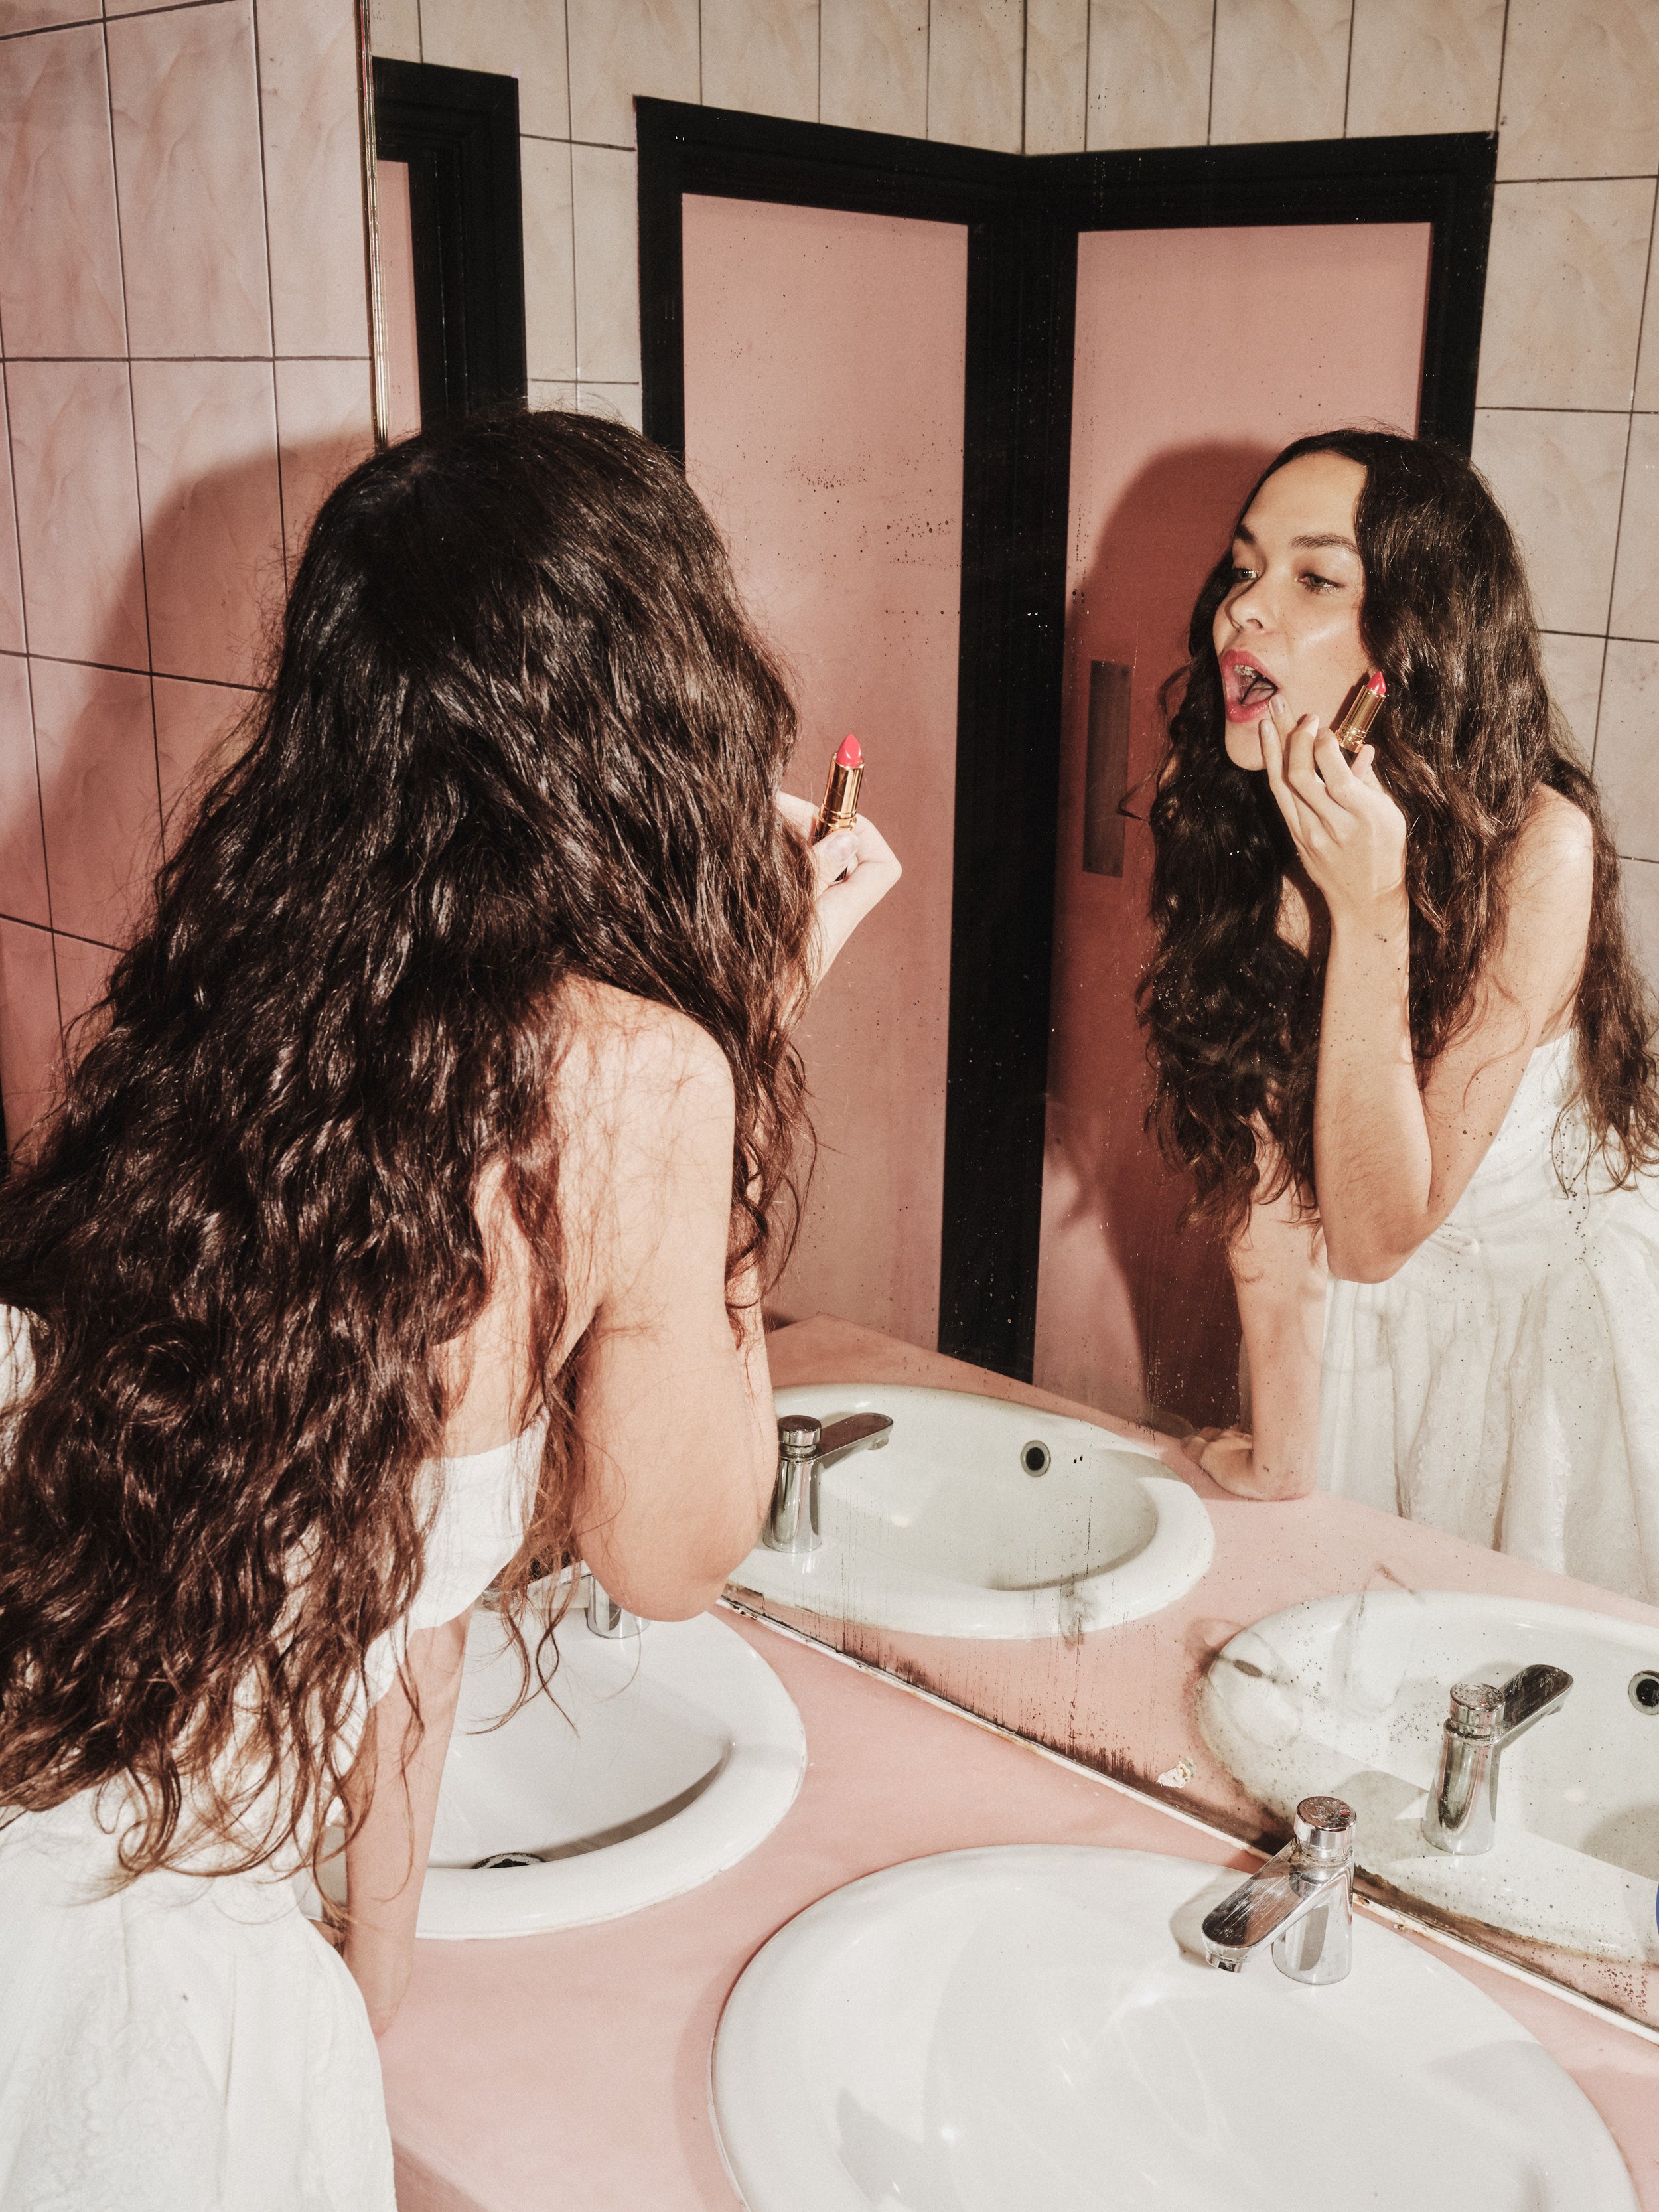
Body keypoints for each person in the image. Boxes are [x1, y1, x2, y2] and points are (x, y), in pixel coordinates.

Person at [0, 406, 899, 2209]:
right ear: (656, 706)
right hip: (147, 1983)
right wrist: (748, 1042)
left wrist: (368, 1979)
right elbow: (671, 1551)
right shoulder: (637, 1071)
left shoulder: (246, 1004)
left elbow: (393, 1589)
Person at [1140, 427, 1659, 1601]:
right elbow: (1267, 1184)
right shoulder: (1222, 808)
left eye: (1315, 579)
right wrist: (1279, 1458)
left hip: (1550, 1333)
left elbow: (1377, 1230)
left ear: (1415, 640)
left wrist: (1368, 915)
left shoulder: (1538, 849)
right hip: (1379, 1320)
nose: (1243, 613)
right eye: (1243, 567)